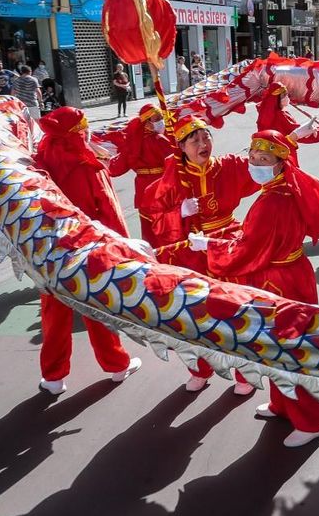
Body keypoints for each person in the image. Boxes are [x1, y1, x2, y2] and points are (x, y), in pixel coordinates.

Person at [190, 129, 319, 447]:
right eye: (253, 157)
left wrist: (211, 247)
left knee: (290, 350)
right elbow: (253, 239)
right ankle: (282, 405)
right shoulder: (282, 189)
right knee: (273, 347)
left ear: (280, 162)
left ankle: (312, 421)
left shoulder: (273, 201)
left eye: (264, 159)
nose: (255, 163)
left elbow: (248, 251)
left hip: (280, 281)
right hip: (286, 274)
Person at [136, 115, 259, 392]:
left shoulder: (228, 165)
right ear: (181, 146)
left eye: (206, 137)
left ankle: (244, 373)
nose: (203, 144)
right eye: (194, 140)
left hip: (226, 242)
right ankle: (199, 368)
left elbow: (262, 165)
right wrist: (178, 213)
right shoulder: (171, 179)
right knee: (193, 312)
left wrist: (292, 139)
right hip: (190, 250)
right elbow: (155, 220)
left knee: (235, 308)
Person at [31, 106, 143, 394]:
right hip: (87, 251)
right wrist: (124, 249)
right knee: (97, 309)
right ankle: (116, 365)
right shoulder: (88, 166)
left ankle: (53, 378)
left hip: (50, 252)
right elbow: (109, 213)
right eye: (83, 127)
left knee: (54, 315)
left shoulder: (38, 165)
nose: (88, 131)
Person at [108, 105, 178, 245]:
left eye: (161, 118)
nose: (160, 121)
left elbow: (118, 168)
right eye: (157, 119)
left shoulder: (133, 141)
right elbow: (175, 164)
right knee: (165, 224)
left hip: (141, 188)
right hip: (160, 185)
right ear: (146, 122)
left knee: (148, 228)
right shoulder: (159, 140)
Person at [256, 82, 319, 157]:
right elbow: (301, 133)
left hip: (264, 152)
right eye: (284, 95)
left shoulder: (264, 111)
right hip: (281, 153)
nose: (287, 97)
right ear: (277, 98)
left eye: (287, 94)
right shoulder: (281, 116)